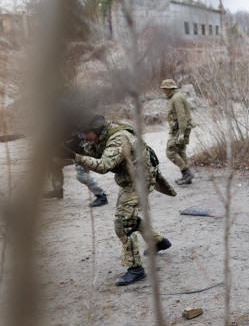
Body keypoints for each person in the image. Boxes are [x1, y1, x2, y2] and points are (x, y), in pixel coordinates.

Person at [72, 114, 175, 286]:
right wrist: (77, 146)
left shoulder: (118, 138)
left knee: (122, 223)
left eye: (85, 134)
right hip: (131, 180)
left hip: (140, 181)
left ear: (95, 130)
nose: (83, 137)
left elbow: (103, 165)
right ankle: (158, 241)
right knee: (129, 216)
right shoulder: (103, 134)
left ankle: (136, 270)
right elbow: (95, 149)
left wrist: (76, 156)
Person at [161, 79, 195, 185]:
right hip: (180, 129)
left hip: (180, 129)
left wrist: (181, 132)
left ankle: (186, 172)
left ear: (169, 89)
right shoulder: (176, 97)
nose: (163, 91)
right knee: (180, 151)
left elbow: (181, 116)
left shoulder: (176, 98)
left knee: (170, 151)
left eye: (164, 89)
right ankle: (186, 176)